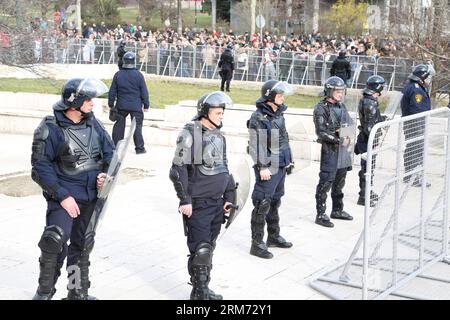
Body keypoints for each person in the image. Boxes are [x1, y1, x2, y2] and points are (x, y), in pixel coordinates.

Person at [31, 78, 114, 300]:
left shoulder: (93, 123)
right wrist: (62, 195)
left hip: (91, 196)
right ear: (73, 101)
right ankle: (44, 292)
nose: (92, 103)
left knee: (82, 246)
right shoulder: (50, 128)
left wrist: (104, 175)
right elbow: (40, 167)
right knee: (54, 240)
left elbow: (109, 153)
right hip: (64, 197)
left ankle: (76, 292)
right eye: (87, 99)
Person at [169, 91, 236, 300]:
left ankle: (203, 289)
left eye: (222, 113)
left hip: (217, 202)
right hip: (198, 202)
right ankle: (198, 293)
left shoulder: (218, 135)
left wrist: (230, 197)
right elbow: (177, 170)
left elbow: (223, 167)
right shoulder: (190, 134)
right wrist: (185, 200)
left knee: (209, 247)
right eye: (218, 112)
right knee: (201, 250)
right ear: (205, 112)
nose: (221, 116)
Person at [247, 80, 294, 259]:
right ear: (270, 96)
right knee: (262, 204)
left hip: (281, 164)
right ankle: (257, 243)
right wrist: (262, 167)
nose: (282, 97)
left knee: (275, 201)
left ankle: (273, 236)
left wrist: (289, 160)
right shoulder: (258, 117)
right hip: (268, 166)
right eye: (279, 94)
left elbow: (284, 138)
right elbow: (255, 145)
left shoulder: (279, 114)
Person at [313, 76, 354, 228]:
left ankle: (337, 209)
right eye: (337, 91)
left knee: (340, 182)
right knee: (326, 182)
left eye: (341, 91)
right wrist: (338, 138)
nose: (340, 93)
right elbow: (321, 132)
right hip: (330, 150)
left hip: (343, 150)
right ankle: (321, 214)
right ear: (329, 91)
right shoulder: (321, 108)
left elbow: (350, 124)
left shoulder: (341, 107)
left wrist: (345, 135)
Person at [354, 75, 387, 207]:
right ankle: (364, 195)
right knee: (367, 168)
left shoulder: (368, 100)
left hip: (367, 139)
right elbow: (369, 127)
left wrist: (382, 119)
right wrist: (373, 142)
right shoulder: (370, 102)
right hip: (368, 140)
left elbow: (372, 119)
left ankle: (368, 190)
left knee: (369, 167)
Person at [108, 51, 150, 154]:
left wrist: (111, 103)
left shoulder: (118, 74)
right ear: (134, 62)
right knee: (136, 126)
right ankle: (139, 148)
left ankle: (116, 147)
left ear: (124, 61)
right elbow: (144, 91)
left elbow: (112, 91)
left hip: (121, 105)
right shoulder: (139, 75)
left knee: (119, 126)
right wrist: (146, 104)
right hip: (135, 106)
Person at [400, 63, 434, 187]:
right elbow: (417, 110)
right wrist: (420, 128)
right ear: (422, 77)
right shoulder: (416, 89)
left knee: (413, 148)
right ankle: (412, 176)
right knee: (416, 148)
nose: (429, 79)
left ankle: (410, 175)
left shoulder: (416, 85)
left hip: (414, 123)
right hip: (415, 124)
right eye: (428, 77)